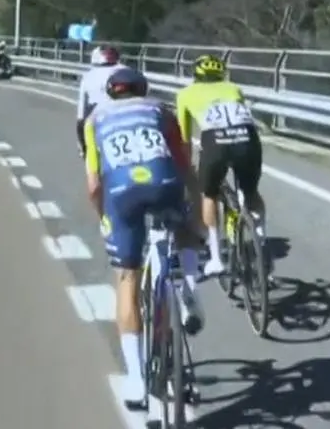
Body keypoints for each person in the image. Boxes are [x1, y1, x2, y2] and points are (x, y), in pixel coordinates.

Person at [83, 67, 205, 408]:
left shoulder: (94, 120)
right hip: (164, 183)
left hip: (122, 192)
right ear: (142, 89)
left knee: (128, 282)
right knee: (183, 231)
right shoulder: (158, 109)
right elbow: (184, 164)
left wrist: (104, 218)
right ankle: (188, 293)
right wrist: (196, 220)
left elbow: (94, 184)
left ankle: (136, 383)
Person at [174, 54, 266, 277]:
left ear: (195, 75)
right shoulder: (234, 89)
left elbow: (184, 138)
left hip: (216, 143)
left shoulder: (185, 94)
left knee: (209, 195)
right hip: (248, 139)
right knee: (251, 192)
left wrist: (187, 167)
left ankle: (216, 258)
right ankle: (261, 248)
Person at [74, 46, 124, 156]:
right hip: (124, 115)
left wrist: (81, 143)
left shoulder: (88, 76)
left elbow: (82, 109)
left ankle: (85, 152)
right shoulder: (126, 70)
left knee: (90, 154)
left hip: (98, 118)